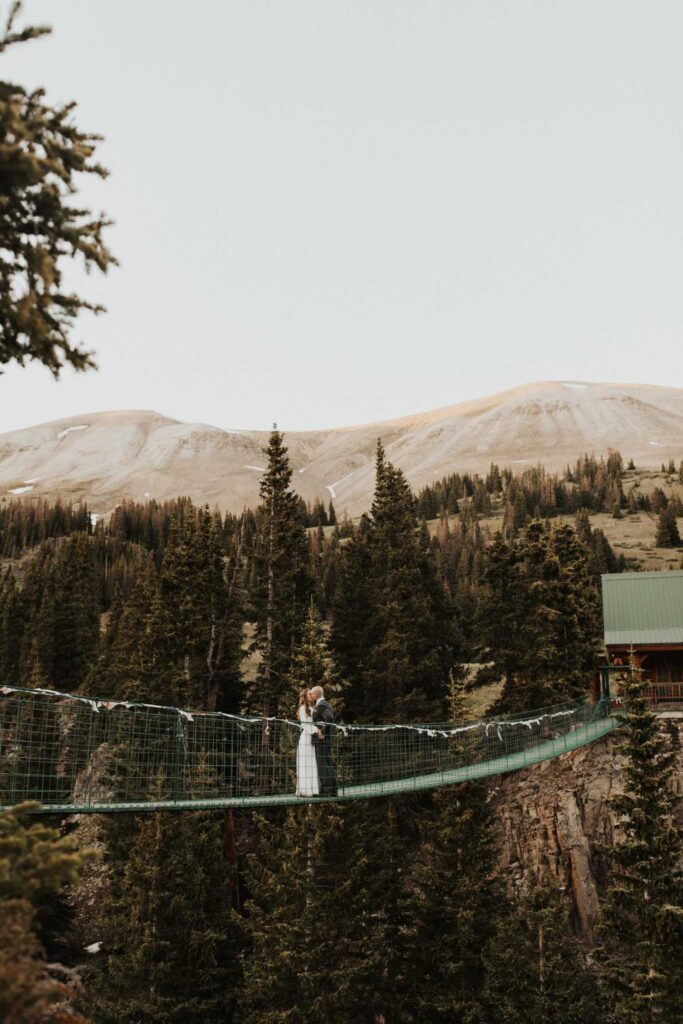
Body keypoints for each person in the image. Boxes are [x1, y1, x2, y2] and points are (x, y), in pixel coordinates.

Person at [309, 685, 338, 797]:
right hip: (325, 740)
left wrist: (322, 731)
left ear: (316, 694)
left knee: (323, 765)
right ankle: (333, 790)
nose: (310, 695)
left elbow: (329, 718)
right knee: (328, 764)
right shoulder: (324, 704)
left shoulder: (322, 705)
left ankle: (325, 791)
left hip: (322, 740)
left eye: (311, 693)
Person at [296, 688, 320, 797]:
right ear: (305, 696)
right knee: (305, 762)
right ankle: (305, 789)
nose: (311, 695)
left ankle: (314, 789)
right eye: (309, 694)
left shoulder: (313, 708)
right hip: (305, 737)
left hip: (312, 738)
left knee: (312, 762)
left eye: (311, 694)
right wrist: (316, 730)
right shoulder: (302, 709)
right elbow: (305, 725)